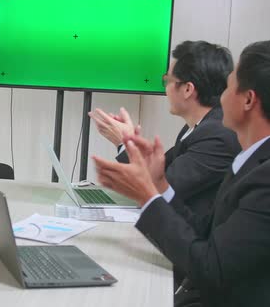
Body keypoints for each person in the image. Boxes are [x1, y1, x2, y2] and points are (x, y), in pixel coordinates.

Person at [93, 41, 270, 307]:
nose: (221, 96)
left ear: (248, 99)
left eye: (229, 85)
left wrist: (148, 195)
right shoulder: (250, 161)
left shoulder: (263, 177)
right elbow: (205, 231)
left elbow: (211, 268)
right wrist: (159, 185)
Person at [89, 41, 240, 217]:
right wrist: (128, 141)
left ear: (187, 89)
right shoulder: (198, 127)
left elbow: (159, 187)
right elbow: (159, 171)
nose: (166, 89)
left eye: (167, 81)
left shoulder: (217, 135)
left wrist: (126, 142)